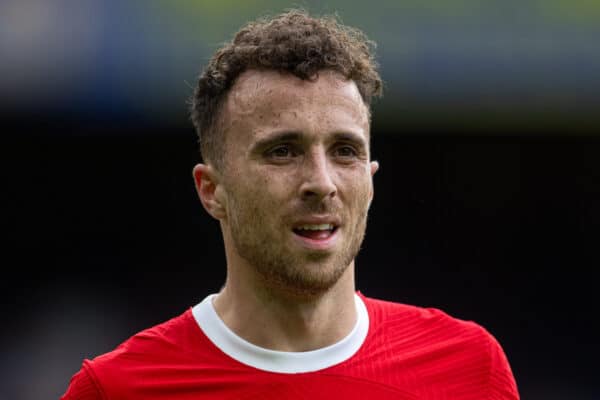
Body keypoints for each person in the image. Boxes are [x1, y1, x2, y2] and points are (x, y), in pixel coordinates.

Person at [61, 9, 519, 399]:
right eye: (282, 151)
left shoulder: (469, 371)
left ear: (371, 181)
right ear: (210, 190)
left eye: (344, 151)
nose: (321, 183)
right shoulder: (118, 388)